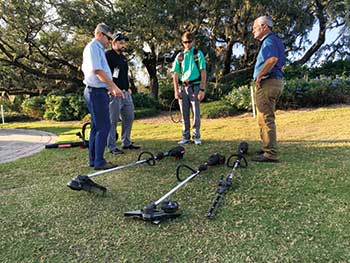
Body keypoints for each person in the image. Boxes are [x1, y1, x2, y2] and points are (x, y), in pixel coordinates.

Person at [82, 23, 124, 170]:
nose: (109, 41)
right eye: (108, 38)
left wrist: (110, 88)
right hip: (95, 92)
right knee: (104, 126)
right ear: (100, 34)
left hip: (97, 91)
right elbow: (98, 71)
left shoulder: (97, 48)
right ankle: (99, 161)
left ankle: (94, 160)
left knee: (95, 127)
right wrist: (114, 87)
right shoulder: (94, 47)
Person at [251, 16, 285, 163]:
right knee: (263, 117)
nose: (252, 31)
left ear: (264, 26)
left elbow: (272, 60)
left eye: (254, 28)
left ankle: (270, 153)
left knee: (265, 118)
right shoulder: (275, 40)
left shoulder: (269, 40)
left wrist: (259, 75)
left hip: (268, 82)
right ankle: (267, 145)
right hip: (275, 81)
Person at [105, 32, 140, 154]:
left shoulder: (123, 57)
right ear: (113, 43)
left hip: (125, 93)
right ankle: (112, 146)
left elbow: (123, 74)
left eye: (123, 43)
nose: (122, 45)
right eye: (120, 42)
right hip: (114, 93)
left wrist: (128, 87)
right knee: (112, 120)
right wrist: (110, 89)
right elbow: (105, 75)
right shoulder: (108, 55)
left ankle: (126, 142)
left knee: (129, 117)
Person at [172, 31, 207, 145]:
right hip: (183, 87)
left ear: (193, 41)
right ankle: (185, 137)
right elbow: (175, 74)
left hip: (195, 86)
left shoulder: (198, 54)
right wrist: (176, 90)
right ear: (182, 43)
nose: (187, 44)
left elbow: (203, 72)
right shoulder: (180, 56)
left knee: (196, 113)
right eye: (185, 42)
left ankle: (196, 136)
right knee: (184, 113)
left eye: (189, 42)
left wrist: (202, 89)